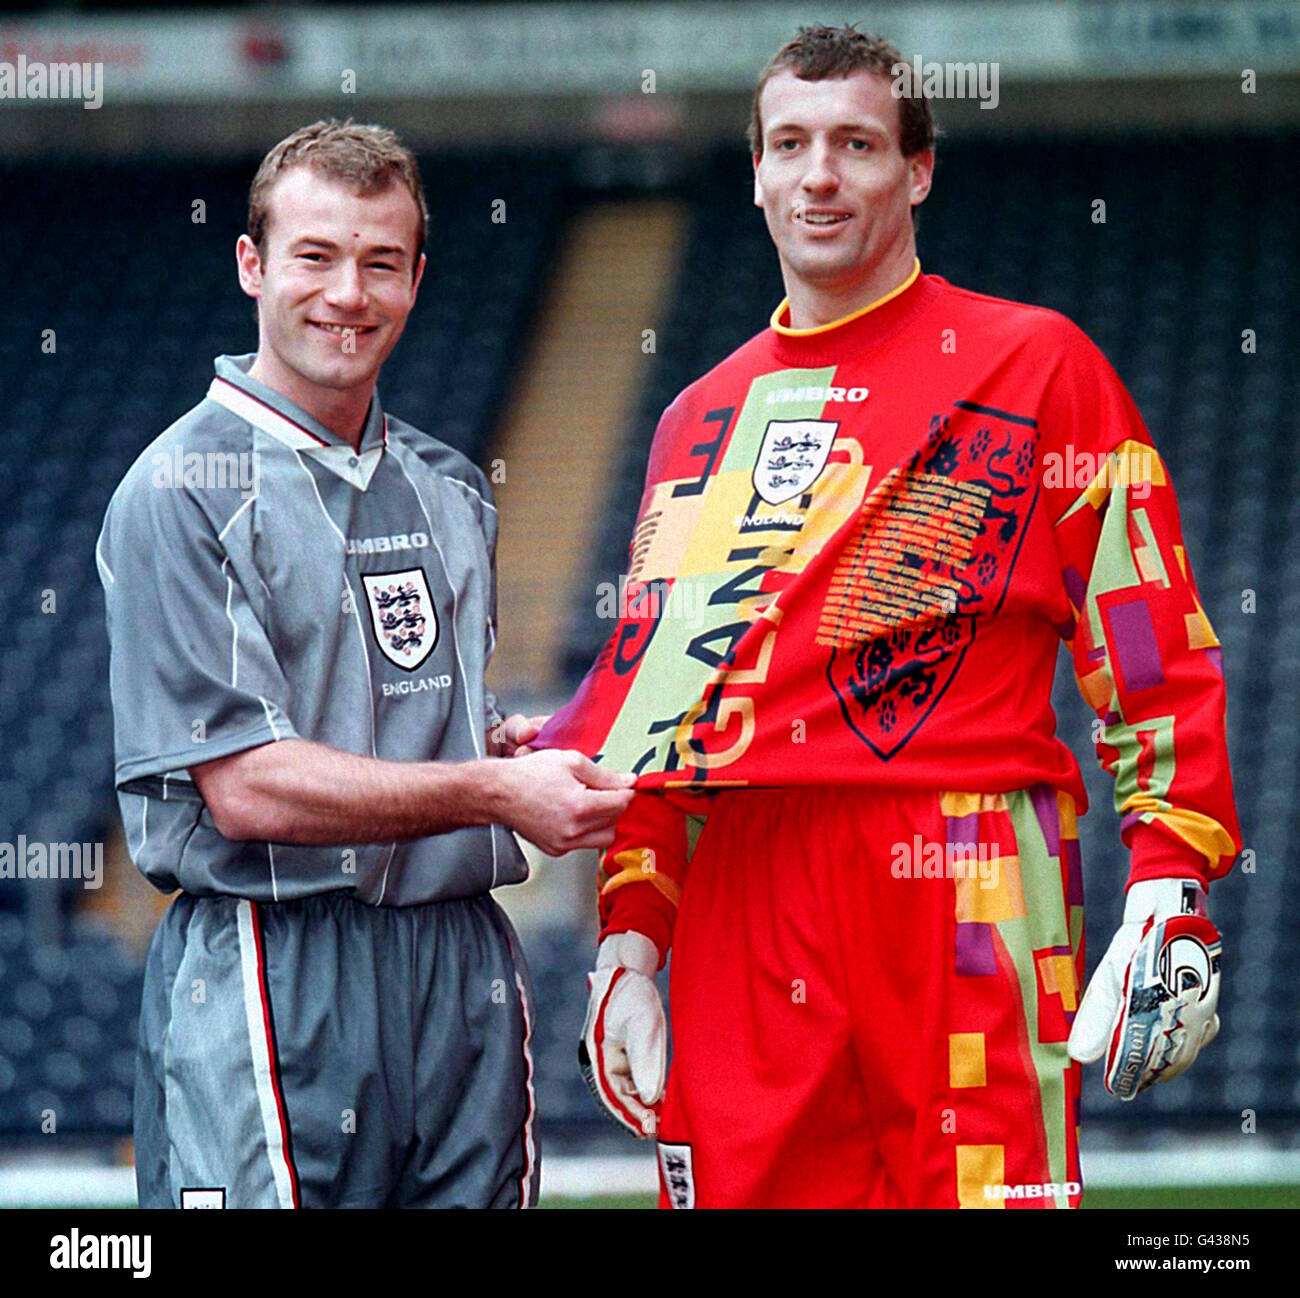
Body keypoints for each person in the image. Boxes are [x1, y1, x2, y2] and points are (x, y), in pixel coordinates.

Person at [535, 27, 1241, 1209]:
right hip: (741, 889)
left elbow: (1149, 637)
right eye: (791, 145)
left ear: (915, 170)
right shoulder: (698, 419)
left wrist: (1171, 882)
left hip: (964, 871)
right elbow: (660, 712)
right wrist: (630, 937)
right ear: (755, 173)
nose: (819, 175)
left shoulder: (1037, 361)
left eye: (855, 144)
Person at [96, 119, 634, 1209]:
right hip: (276, 955)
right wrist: (490, 788)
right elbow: (245, 785)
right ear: (251, 264)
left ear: (416, 277)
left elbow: (383, 712)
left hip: (459, 963)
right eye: (315, 256)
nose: (349, 292)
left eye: (380, 261)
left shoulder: (450, 486)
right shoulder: (182, 488)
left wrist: (487, 744)